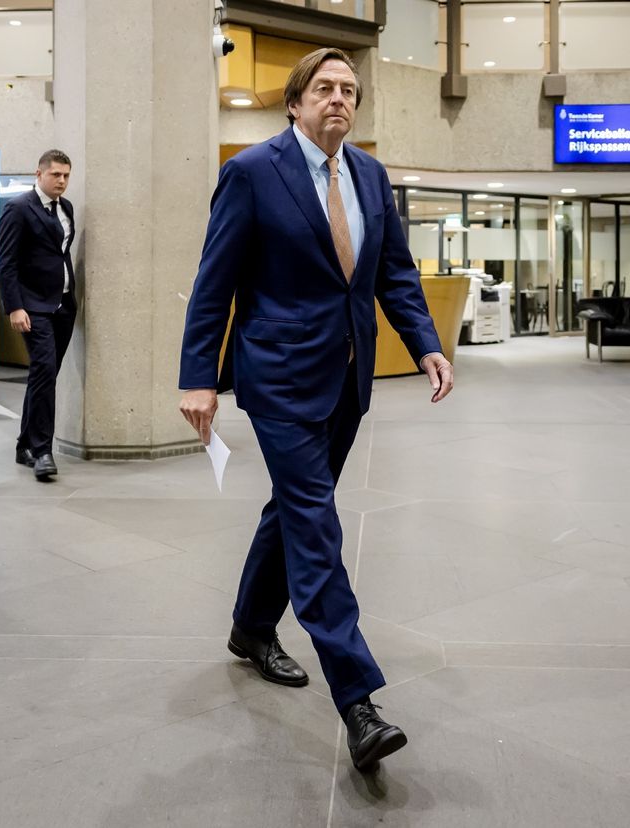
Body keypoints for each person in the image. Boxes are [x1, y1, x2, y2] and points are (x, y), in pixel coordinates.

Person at [178, 48, 453, 772]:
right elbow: (214, 281)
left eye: (349, 90)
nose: (339, 99)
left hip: (347, 376)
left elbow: (393, 270)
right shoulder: (251, 172)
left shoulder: (368, 174)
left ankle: (249, 627)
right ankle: (358, 699)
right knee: (314, 521)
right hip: (277, 376)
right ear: (295, 102)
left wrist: (425, 343)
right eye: (325, 87)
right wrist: (198, 377)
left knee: (295, 507)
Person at [0, 149, 76, 481]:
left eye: (66, 175)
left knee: (45, 375)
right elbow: (7, 262)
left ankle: (24, 445)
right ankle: (43, 451)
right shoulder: (18, 208)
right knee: (43, 370)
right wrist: (15, 307)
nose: (61, 181)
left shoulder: (66, 207)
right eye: (56, 174)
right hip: (33, 306)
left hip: (64, 304)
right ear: (39, 174)